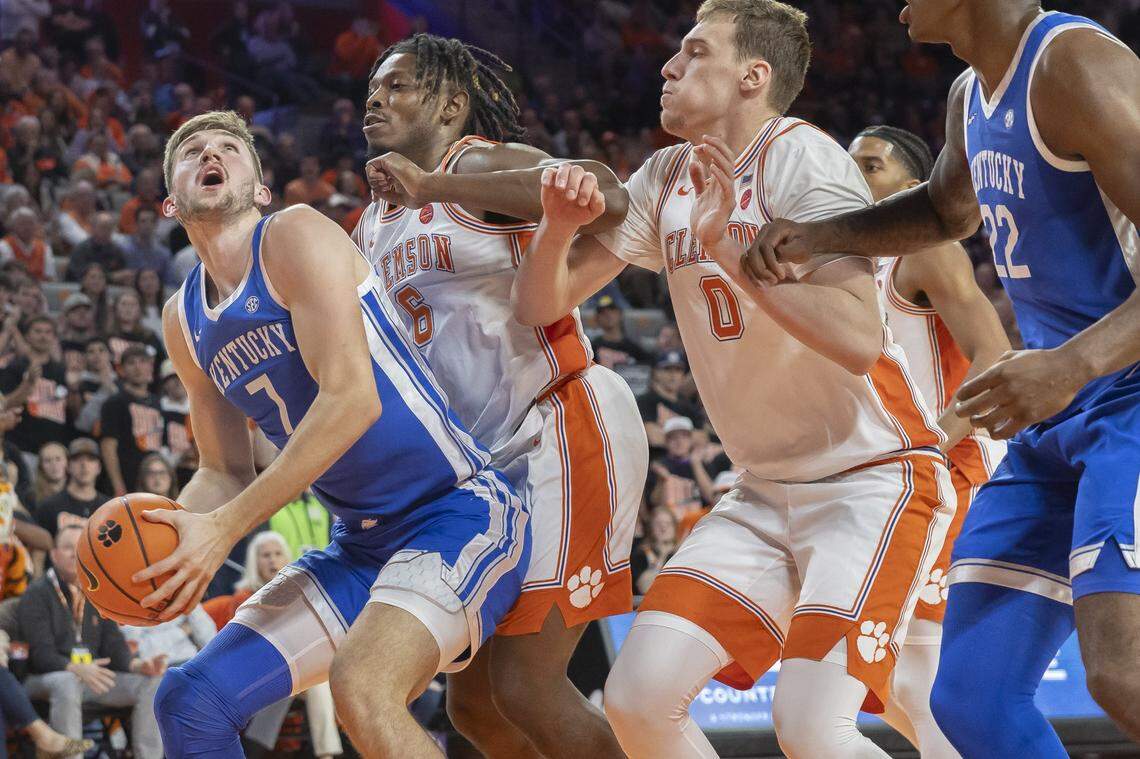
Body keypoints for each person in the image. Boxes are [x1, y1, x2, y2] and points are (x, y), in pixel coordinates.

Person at [510, 2, 955, 756]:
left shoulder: (803, 159)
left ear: (754, 75)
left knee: (813, 727)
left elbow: (855, 337)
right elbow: (540, 306)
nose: (668, 66)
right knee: (639, 697)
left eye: (694, 50)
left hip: (872, 477)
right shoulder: (667, 173)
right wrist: (555, 228)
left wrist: (726, 255)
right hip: (760, 488)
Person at [750, 4, 1140, 755]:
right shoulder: (971, 93)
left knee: (1122, 671)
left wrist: (1072, 364)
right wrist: (821, 237)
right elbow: (943, 208)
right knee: (969, 698)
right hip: (1056, 418)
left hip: (1126, 396)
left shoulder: (1078, 67)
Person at [138, 110, 527, 758]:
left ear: (261, 189)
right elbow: (224, 469)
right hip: (359, 548)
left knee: (362, 684)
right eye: (193, 151)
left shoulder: (292, 233)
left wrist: (224, 528)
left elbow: (352, 401)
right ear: (170, 199)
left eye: (230, 148)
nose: (212, 153)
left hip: (455, 513)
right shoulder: (182, 317)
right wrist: (165, 545)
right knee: (188, 699)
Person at [359, 33, 646, 758]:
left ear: (452, 105)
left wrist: (435, 188)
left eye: (397, 86)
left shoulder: (479, 163)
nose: (375, 98)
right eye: (371, 88)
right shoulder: (370, 223)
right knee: (478, 708)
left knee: (527, 686)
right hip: (483, 469)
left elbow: (610, 198)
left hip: (559, 422)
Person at [845, 124, 1012, 756]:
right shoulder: (839, 264)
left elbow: (994, 353)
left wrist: (932, 442)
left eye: (872, 164)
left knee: (921, 678)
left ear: (913, 187)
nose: (852, 173)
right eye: (846, 163)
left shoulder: (926, 250)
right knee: (892, 683)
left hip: (953, 467)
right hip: (883, 480)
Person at [18, 525, 167, 758]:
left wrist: (138, 666)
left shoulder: (95, 593)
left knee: (152, 683)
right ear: (54, 554)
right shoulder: (36, 594)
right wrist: (75, 668)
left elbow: (114, 643)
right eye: (67, 548)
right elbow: (40, 655)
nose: (73, 554)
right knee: (67, 681)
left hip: (90, 679)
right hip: (44, 678)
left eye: (79, 548)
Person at [204, 531, 343, 759]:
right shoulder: (244, 598)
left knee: (321, 679)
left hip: (291, 670)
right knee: (316, 683)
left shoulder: (301, 595)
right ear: (253, 561)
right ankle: (326, 753)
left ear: (286, 558)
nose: (272, 559)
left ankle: (325, 752)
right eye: (265, 555)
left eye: (277, 554)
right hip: (253, 673)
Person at [97, 345, 162, 496]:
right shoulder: (114, 402)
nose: (138, 367)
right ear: (122, 370)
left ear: (151, 367)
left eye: (142, 361)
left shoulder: (157, 403)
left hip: (153, 482)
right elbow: (108, 446)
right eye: (131, 363)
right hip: (126, 482)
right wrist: (118, 485)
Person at [33, 437, 106, 537]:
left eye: (90, 459)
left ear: (99, 467)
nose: (84, 464)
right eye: (77, 459)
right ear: (68, 466)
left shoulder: (108, 508)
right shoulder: (48, 507)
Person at [590, 294, 652, 369]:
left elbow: (649, 364)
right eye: (602, 312)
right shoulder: (592, 347)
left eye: (612, 310)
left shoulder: (632, 346)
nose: (608, 314)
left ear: (620, 314)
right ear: (597, 319)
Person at [32, 441, 67, 506]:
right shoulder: (32, 496)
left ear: (67, 462)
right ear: (41, 466)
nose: (54, 464)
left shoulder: (80, 491)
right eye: (47, 460)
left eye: (58, 459)